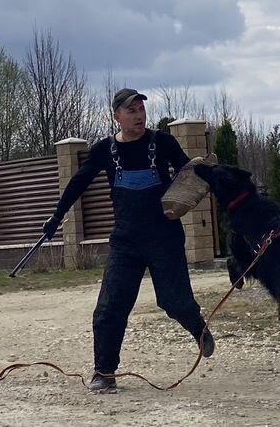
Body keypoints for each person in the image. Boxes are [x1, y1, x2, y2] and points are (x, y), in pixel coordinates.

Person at [42, 88, 215, 393]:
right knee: (110, 307)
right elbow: (77, 184)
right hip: (126, 241)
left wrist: (218, 180)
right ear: (116, 116)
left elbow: (192, 172)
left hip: (165, 237)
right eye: (131, 110)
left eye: (141, 109)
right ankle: (104, 372)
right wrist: (56, 218)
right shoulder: (104, 151)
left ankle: (198, 328)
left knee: (175, 302)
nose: (139, 115)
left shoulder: (162, 142)